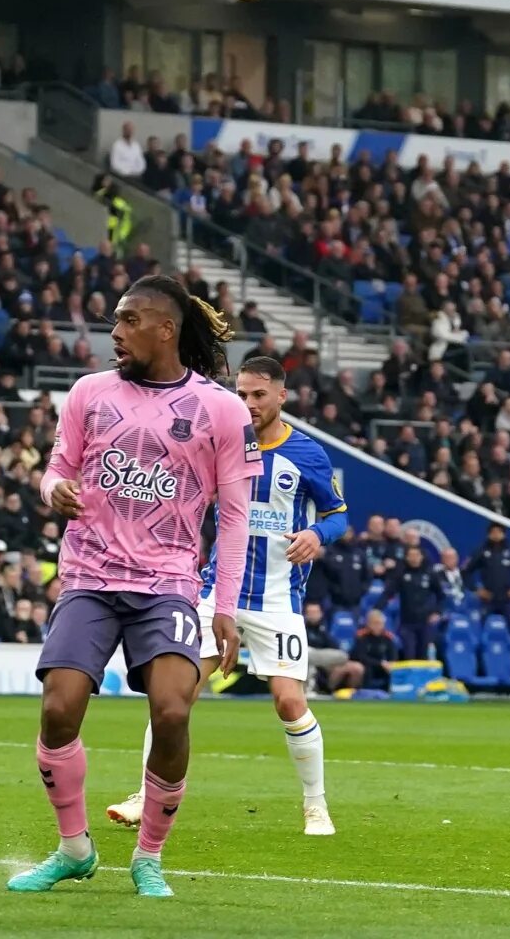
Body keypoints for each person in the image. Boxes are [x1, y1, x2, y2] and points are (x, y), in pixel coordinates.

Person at [8, 274, 255, 899]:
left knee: (172, 711)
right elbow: (57, 468)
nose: (115, 333)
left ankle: (148, 857)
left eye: (128, 321)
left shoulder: (221, 408)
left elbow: (234, 515)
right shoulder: (90, 393)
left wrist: (224, 607)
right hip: (89, 578)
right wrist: (51, 489)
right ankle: (73, 849)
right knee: (59, 708)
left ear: (165, 329)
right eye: (114, 321)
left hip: (168, 584)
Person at [106, 356, 347, 836]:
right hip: (219, 593)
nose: (249, 403)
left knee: (287, 702)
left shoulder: (308, 454)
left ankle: (315, 805)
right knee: (176, 693)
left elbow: (338, 512)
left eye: (259, 395)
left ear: (282, 396)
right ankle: (145, 793)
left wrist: (319, 534)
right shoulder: (220, 441)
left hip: (278, 600)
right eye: (241, 394)